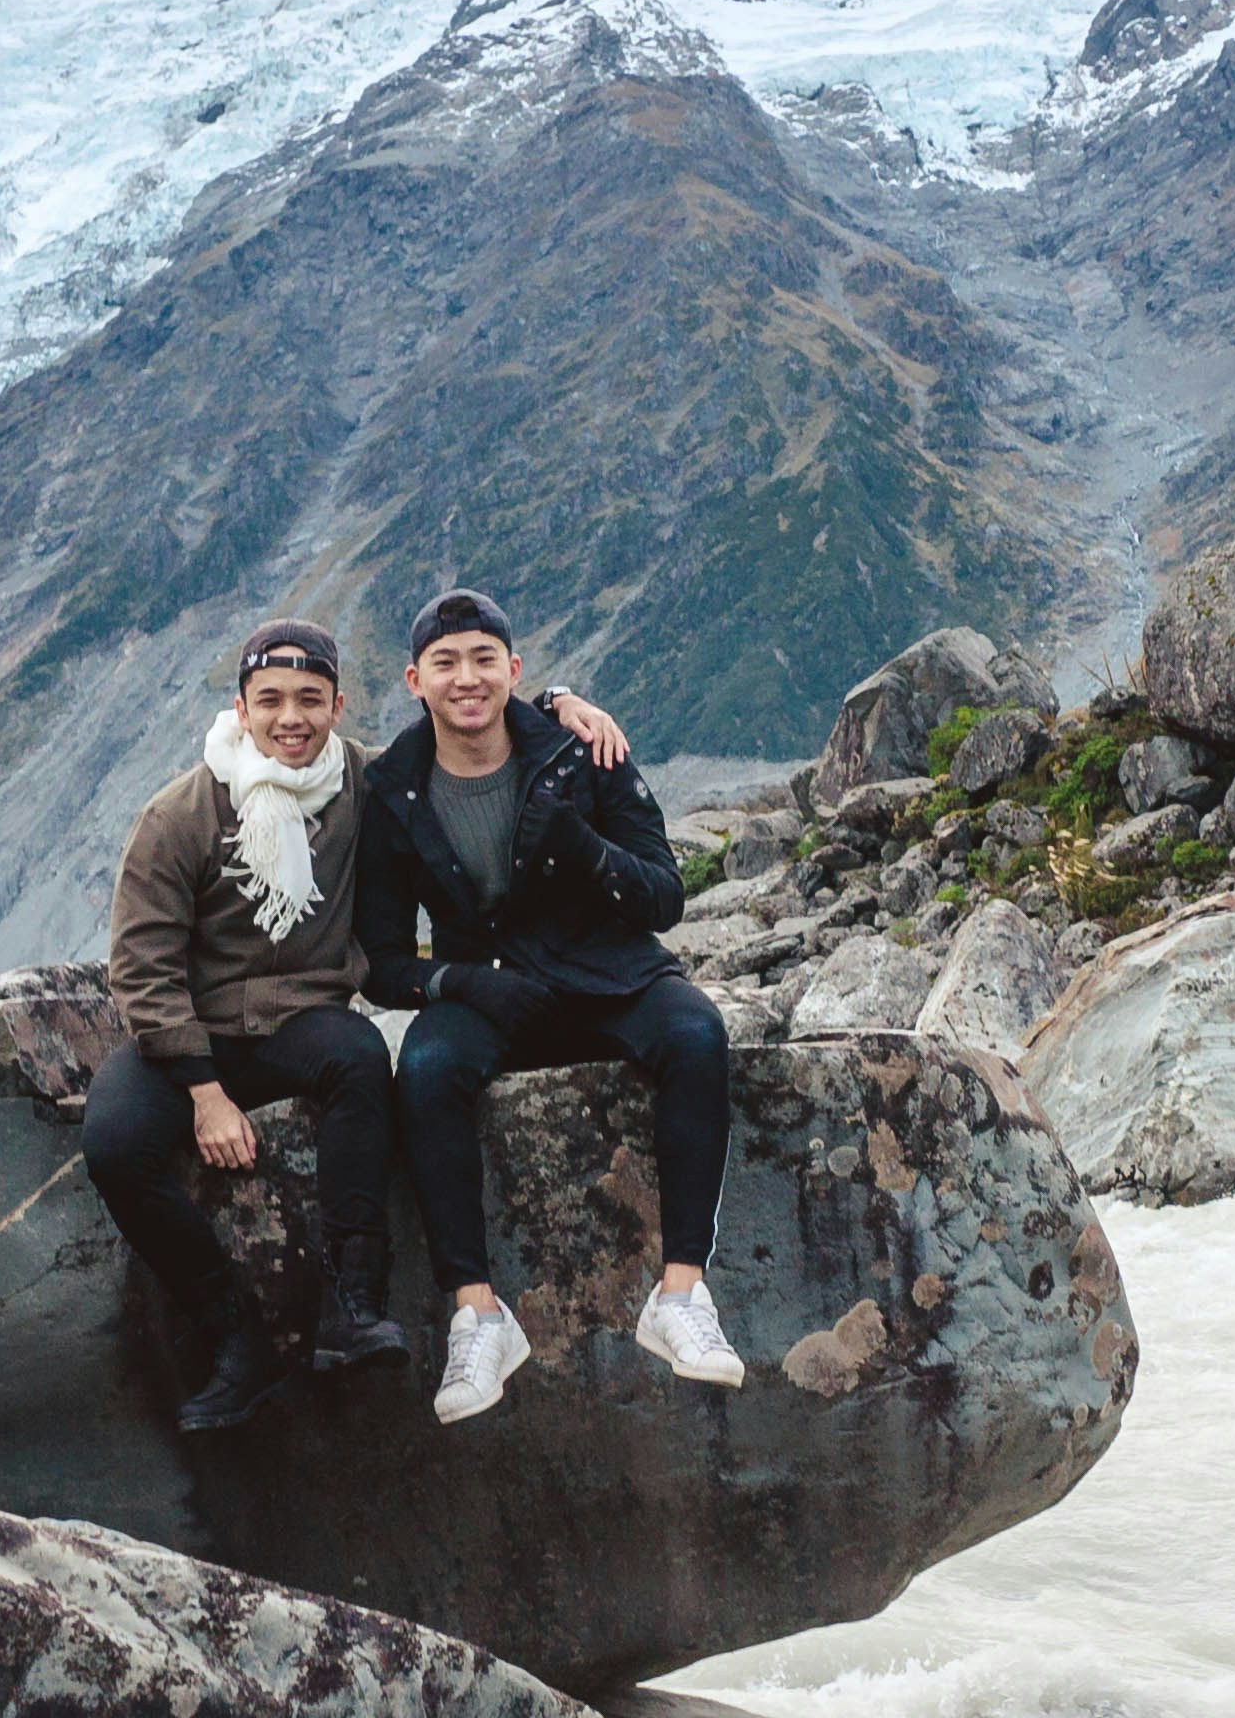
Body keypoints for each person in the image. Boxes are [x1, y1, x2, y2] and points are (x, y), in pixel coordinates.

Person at [74, 613, 624, 1431]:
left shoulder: (365, 782)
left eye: (309, 698)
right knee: (116, 1146)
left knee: (362, 1061)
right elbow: (141, 967)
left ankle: (353, 1308)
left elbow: (464, 720)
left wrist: (558, 702)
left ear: (337, 706)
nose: (290, 718)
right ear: (241, 706)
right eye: (271, 701)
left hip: (302, 1019)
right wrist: (203, 1091)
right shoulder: (182, 814)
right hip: (194, 1033)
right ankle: (236, 1334)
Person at [357, 587, 744, 1423]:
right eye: (446, 663)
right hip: (491, 989)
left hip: (608, 970)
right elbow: (380, 961)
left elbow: (664, 895)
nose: (467, 679)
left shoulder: (581, 751)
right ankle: (478, 1316)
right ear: (414, 679)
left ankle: (680, 1297)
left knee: (696, 1033)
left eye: (484, 659)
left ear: (514, 669)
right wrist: (457, 982)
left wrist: (582, 847)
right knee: (424, 1068)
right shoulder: (393, 788)